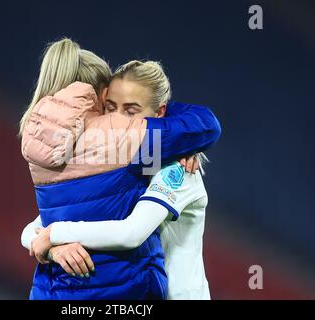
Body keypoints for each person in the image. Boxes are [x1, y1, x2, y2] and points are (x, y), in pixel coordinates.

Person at [20, 38, 221, 300]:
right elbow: (38, 225)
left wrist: (55, 236)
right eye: (111, 108)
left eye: (130, 110)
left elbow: (131, 232)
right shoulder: (126, 163)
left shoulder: (178, 169)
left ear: (160, 114)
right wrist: (53, 246)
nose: (116, 119)